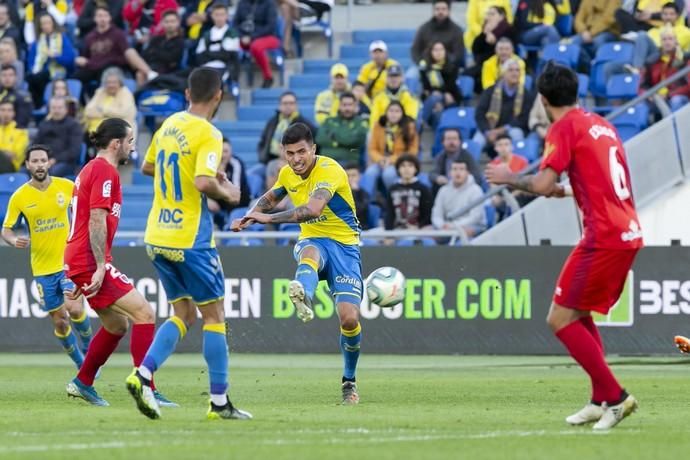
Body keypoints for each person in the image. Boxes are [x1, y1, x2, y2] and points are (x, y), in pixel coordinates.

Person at [486, 62, 642, 430]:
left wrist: (510, 178)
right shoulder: (601, 125)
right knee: (579, 313)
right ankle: (599, 398)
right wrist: (567, 190)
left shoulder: (564, 126)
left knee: (558, 319)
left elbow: (539, 184)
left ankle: (616, 397)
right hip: (627, 229)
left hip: (603, 236)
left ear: (542, 100)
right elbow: (608, 180)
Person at [126, 68, 250, 421]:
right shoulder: (209, 132)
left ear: (186, 93)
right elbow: (201, 181)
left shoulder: (168, 125)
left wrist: (196, 170)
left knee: (184, 314)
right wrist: (227, 190)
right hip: (191, 238)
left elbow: (149, 167)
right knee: (214, 316)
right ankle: (219, 401)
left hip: (157, 235)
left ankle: (144, 374)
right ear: (218, 96)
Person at [231, 122, 364, 405]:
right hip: (313, 241)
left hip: (345, 247)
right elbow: (271, 197)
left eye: (301, 151)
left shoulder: (329, 170)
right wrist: (249, 215)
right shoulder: (287, 173)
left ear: (313, 149)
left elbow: (312, 209)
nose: (296, 159)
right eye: (289, 153)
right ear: (284, 153)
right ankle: (304, 293)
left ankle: (349, 381)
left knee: (350, 319)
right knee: (311, 252)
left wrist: (266, 219)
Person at [64, 118, 174, 408]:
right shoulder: (104, 170)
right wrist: (99, 266)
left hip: (80, 258)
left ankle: (83, 382)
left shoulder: (90, 168)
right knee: (144, 314)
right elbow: (97, 218)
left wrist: (79, 269)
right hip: (88, 258)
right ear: (116, 143)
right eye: (130, 141)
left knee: (116, 325)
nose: (132, 147)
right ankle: (145, 386)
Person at [1, 145, 94, 370]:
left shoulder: (67, 186)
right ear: (28, 165)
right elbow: (7, 229)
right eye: (35, 161)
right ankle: (81, 363)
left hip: (68, 262)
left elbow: (88, 208)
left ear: (49, 163)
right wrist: (13, 240)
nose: (40, 164)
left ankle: (91, 352)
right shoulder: (20, 197)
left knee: (74, 308)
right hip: (42, 268)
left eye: (43, 160)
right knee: (61, 322)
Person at [73, 7, 154, 99]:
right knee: (74, 79)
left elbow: (126, 55)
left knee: (109, 76)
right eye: (99, 16)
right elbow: (86, 58)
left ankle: (106, 105)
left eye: (105, 16)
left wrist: (91, 62)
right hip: (93, 67)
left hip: (112, 66)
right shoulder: (89, 37)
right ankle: (81, 104)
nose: (102, 19)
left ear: (110, 18)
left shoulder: (118, 34)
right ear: (95, 19)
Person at [474, 58, 534, 155]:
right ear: (503, 73)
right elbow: (479, 114)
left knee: (517, 134)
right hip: (490, 129)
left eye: (517, 70)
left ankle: (517, 168)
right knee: (477, 141)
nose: (515, 73)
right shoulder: (490, 91)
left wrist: (502, 130)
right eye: (510, 70)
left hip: (511, 129)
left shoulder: (526, 94)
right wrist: (487, 132)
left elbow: (524, 118)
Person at [365, 100, 419, 190]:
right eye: (391, 111)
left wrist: (391, 160)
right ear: (386, 113)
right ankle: (368, 201)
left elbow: (413, 151)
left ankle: (391, 199)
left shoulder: (409, 127)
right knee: (369, 173)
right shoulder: (378, 125)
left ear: (402, 113)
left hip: (399, 162)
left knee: (388, 174)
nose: (394, 114)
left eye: (397, 111)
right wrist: (380, 159)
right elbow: (372, 148)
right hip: (380, 161)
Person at [26, 13, 77, 107]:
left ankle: (41, 105)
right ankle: (36, 107)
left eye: (48, 23)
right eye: (43, 24)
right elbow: (31, 62)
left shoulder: (62, 38)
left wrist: (55, 56)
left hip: (57, 72)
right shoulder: (37, 42)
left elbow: (70, 60)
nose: (46, 26)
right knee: (31, 77)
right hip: (40, 73)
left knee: (39, 78)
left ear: (53, 24)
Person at [431, 158, 486, 238]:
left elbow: (475, 217)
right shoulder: (443, 190)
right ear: (450, 173)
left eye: (461, 169)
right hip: (447, 227)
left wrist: (453, 226)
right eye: (454, 169)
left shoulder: (476, 190)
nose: (458, 172)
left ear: (467, 172)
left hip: (472, 226)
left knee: (465, 234)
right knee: (428, 233)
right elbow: (436, 214)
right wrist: (441, 225)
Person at [258, 91, 315, 165]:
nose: (288, 106)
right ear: (279, 105)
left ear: (296, 105)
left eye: (291, 103)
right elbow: (263, 142)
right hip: (269, 160)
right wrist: (262, 157)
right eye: (285, 103)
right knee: (252, 174)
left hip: (293, 161)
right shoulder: (272, 122)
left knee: (273, 169)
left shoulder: (304, 124)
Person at [234, 0, 281, 88]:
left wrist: (251, 37)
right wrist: (241, 36)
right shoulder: (242, 3)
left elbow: (270, 27)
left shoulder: (269, 3)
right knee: (229, 46)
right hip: (244, 37)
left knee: (256, 46)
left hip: (267, 37)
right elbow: (235, 24)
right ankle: (232, 80)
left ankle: (268, 77)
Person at [33, 97, 84, 177]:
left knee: (52, 172)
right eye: (53, 108)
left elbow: (74, 151)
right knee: (24, 170)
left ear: (66, 109)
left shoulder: (74, 125)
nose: (56, 111)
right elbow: (35, 144)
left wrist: (55, 160)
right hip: (43, 161)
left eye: (59, 108)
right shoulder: (44, 124)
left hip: (65, 162)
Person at [314, 91, 368, 166]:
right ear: (339, 106)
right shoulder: (329, 121)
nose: (347, 108)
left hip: (348, 162)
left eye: (350, 105)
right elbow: (320, 139)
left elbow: (352, 141)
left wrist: (333, 136)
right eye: (344, 105)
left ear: (355, 106)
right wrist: (342, 139)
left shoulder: (361, 123)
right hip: (326, 161)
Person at [208, 137, 251, 228]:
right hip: (218, 203)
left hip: (238, 204)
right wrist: (208, 201)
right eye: (220, 151)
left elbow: (235, 194)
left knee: (234, 214)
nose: (223, 155)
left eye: (226, 151)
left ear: (231, 152)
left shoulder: (236, 164)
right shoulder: (209, 164)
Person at [419, 41, 462, 130]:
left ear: (445, 51)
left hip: (451, 96)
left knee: (438, 105)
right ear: (430, 52)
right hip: (432, 98)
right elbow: (426, 86)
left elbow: (451, 85)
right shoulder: (425, 67)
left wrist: (440, 93)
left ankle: (421, 122)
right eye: (435, 50)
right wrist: (435, 95)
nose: (439, 52)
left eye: (441, 49)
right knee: (436, 105)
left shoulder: (452, 65)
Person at [83, 67, 137, 136]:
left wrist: (102, 110)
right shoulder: (100, 91)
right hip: (96, 131)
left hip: (119, 132)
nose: (111, 85)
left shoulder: (125, 93)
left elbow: (123, 113)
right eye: (108, 82)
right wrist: (109, 115)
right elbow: (88, 111)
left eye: (114, 82)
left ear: (120, 83)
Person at [384, 154, 432, 231]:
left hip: (418, 230)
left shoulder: (423, 189)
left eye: (410, 166)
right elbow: (389, 214)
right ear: (398, 169)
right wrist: (388, 234)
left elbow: (427, 214)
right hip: (396, 230)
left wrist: (418, 227)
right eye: (403, 166)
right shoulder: (392, 189)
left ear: (416, 169)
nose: (406, 169)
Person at [137, 9, 185, 86]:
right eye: (167, 22)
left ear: (178, 22)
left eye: (172, 21)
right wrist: (159, 53)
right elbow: (145, 55)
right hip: (150, 67)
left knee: (141, 74)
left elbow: (172, 59)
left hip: (167, 72)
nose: (169, 24)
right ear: (162, 23)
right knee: (139, 71)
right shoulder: (156, 39)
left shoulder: (180, 41)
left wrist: (154, 52)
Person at [195, 2, 240, 84]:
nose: (219, 18)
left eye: (222, 14)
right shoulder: (207, 34)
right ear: (212, 16)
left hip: (225, 68)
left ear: (227, 16)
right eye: (217, 15)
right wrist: (217, 54)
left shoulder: (232, 33)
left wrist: (208, 53)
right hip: (206, 67)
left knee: (213, 81)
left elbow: (227, 55)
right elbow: (199, 55)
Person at [369, 64, 420, 129]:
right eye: (391, 76)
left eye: (396, 76)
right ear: (386, 78)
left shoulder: (410, 97)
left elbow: (410, 118)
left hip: (403, 132)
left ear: (402, 78)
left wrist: (394, 131)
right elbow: (374, 119)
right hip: (383, 131)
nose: (393, 79)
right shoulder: (378, 98)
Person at [0, 99, 28, 171]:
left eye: (9, 110)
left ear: (14, 113)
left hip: (11, 167)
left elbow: (14, 155)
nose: (6, 113)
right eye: (3, 110)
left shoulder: (21, 132)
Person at [344, 163, 371, 229]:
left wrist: (355, 192)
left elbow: (359, 211)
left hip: (361, 229)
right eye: (348, 176)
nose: (350, 178)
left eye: (353, 175)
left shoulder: (364, 194)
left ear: (359, 177)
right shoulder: (339, 194)